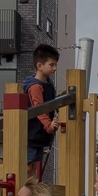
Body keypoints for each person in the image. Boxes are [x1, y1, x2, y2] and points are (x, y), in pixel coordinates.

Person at [23, 44, 64, 181]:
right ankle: (25, 194)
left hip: (38, 135)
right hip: (30, 133)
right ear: (39, 66)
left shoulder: (48, 84)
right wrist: (49, 125)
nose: (55, 68)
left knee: (33, 167)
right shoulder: (35, 87)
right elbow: (39, 109)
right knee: (28, 167)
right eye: (51, 65)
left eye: (55, 64)